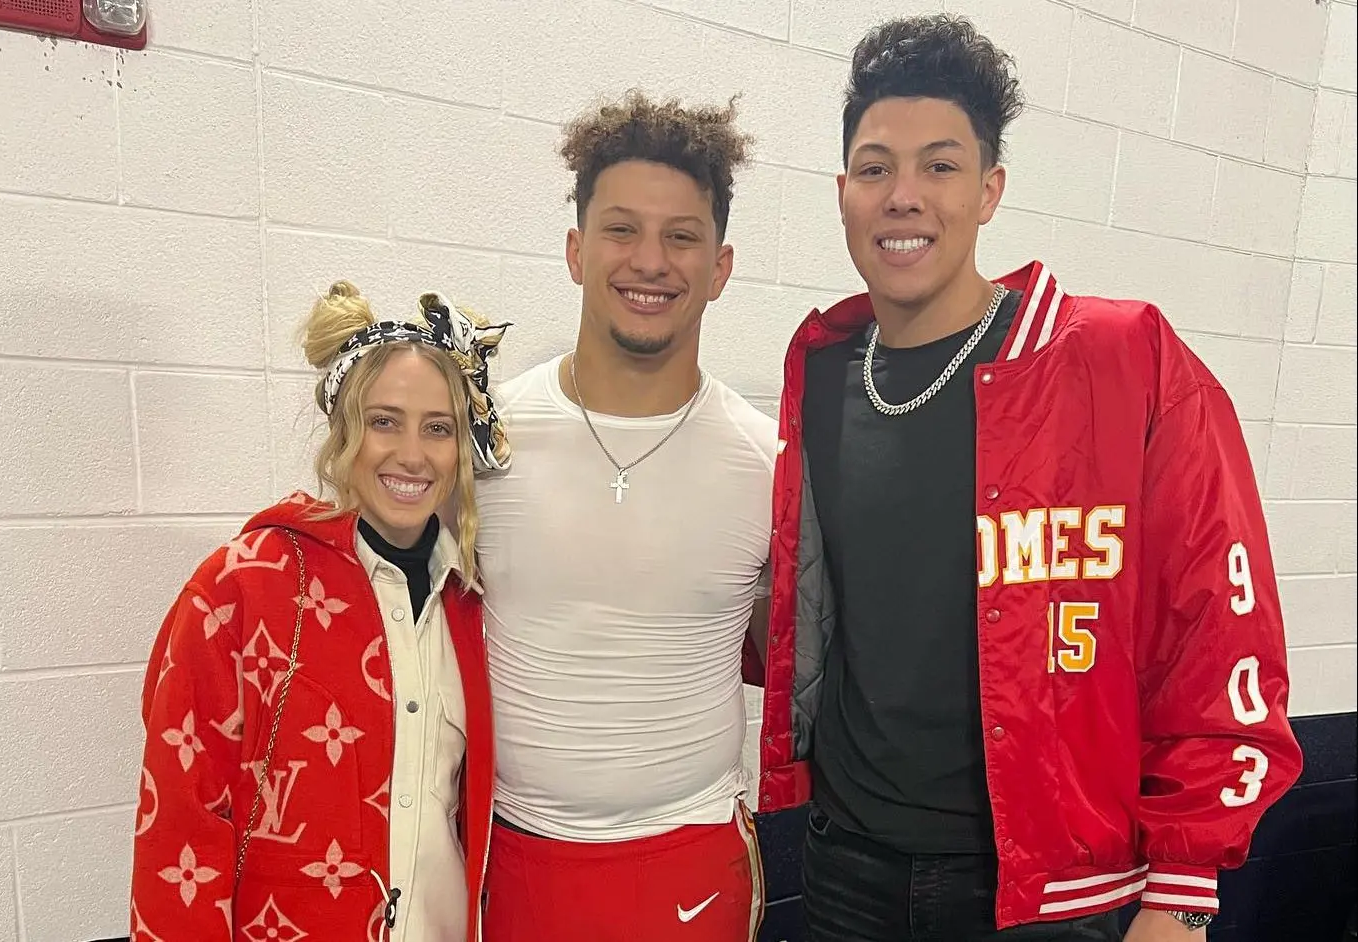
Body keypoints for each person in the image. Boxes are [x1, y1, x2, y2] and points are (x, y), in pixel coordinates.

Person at [749, 15, 1304, 942]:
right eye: (876, 167)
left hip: (1052, 897)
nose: (904, 196)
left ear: (989, 189)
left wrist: (1181, 897)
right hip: (845, 868)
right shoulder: (822, 370)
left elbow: (1218, 633)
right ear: (842, 191)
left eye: (940, 165)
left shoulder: (1123, 361)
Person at [473, 90, 774, 942]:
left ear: (719, 267)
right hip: (510, 857)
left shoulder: (769, 461)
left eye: (682, 236)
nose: (651, 260)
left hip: (689, 862)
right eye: (620, 230)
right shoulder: (481, 440)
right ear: (575, 250)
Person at [128, 282, 512, 942]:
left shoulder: (474, 606)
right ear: (344, 430)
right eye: (384, 421)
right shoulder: (241, 589)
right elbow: (181, 825)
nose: (412, 455)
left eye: (439, 428)